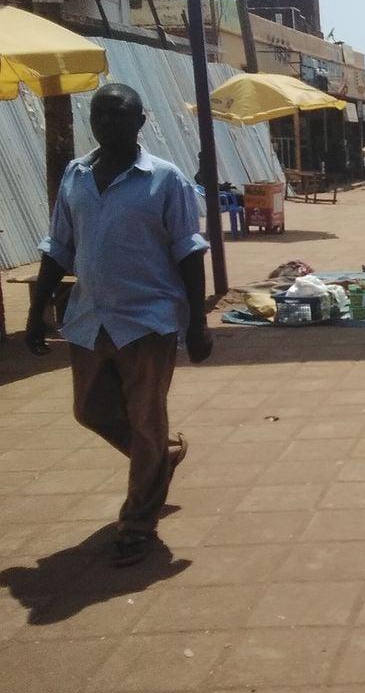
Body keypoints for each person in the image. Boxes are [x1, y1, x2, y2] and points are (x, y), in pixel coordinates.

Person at [24, 83, 211, 567]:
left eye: (118, 116)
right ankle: (158, 461)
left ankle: (138, 523)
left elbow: (189, 251)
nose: (107, 124)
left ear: (140, 122)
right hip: (88, 318)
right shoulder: (76, 175)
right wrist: (36, 309)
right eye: (100, 115)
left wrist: (197, 324)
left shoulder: (165, 180)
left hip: (147, 320)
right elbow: (58, 245)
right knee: (90, 411)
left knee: (147, 422)